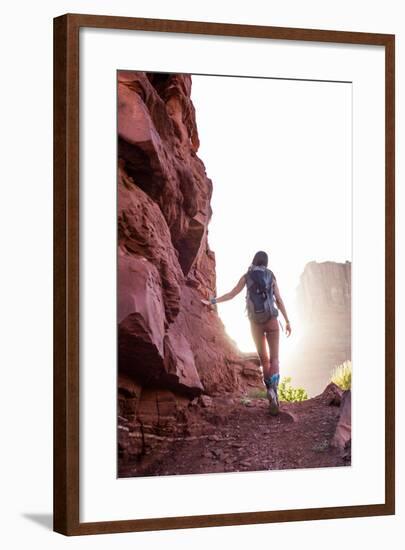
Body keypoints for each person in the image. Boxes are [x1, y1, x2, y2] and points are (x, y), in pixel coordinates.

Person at [201, 250, 291, 415]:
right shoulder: (271, 275)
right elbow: (278, 299)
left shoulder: (247, 276)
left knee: (264, 360)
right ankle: (274, 391)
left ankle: (269, 389)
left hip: (255, 322)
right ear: (266, 262)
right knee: (275, 358)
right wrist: (287, 321)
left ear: (254, 260)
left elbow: (232, 294)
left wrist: (212, 301)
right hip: (271, 320)